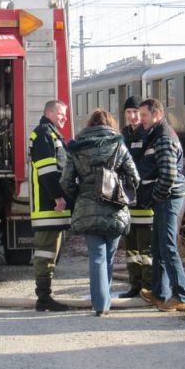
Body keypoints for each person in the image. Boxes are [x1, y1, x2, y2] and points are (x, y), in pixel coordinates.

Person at [60, 109, 140, 317]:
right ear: (110, 124)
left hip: (87, 206)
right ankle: (105, 302)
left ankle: (100, 305)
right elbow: (135, 177)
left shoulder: (76, 148)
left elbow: (65, 181)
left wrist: (78, 196)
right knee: (110, 256)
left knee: (97, 256)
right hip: (114, 206)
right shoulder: (118, 145)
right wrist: (123, 192)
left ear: (89, 125)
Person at [138, 98, 185, 312]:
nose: (141, 120)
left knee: (168, 247)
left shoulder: (163, 138)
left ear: (157, 114)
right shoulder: (157, 135)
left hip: (167, 199)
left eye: (144, 116)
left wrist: (156, 197)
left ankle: (181, 296)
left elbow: (168, 175)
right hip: (164, 199)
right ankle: (160, 293)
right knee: (159, 246)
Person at [29, 100, 72, 312]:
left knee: (51, 252)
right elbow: (47, 171)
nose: (65, 117)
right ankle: (44, 298)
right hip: (48, 206)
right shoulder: (44, 134)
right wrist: (57, 197)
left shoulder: (52, 134)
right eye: (61, 114)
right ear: (49, 113)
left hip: (52, 205)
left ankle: (46, 297)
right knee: (46, 252)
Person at [118, 96, 154, 298]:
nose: (133, 117)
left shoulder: (148, 134)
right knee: (131, 249)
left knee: (146, 249)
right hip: (128, 202)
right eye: (128, 113)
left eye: (136, 112)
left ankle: (148, 287)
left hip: (145, 202)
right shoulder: (122, 136)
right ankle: (135, 285)